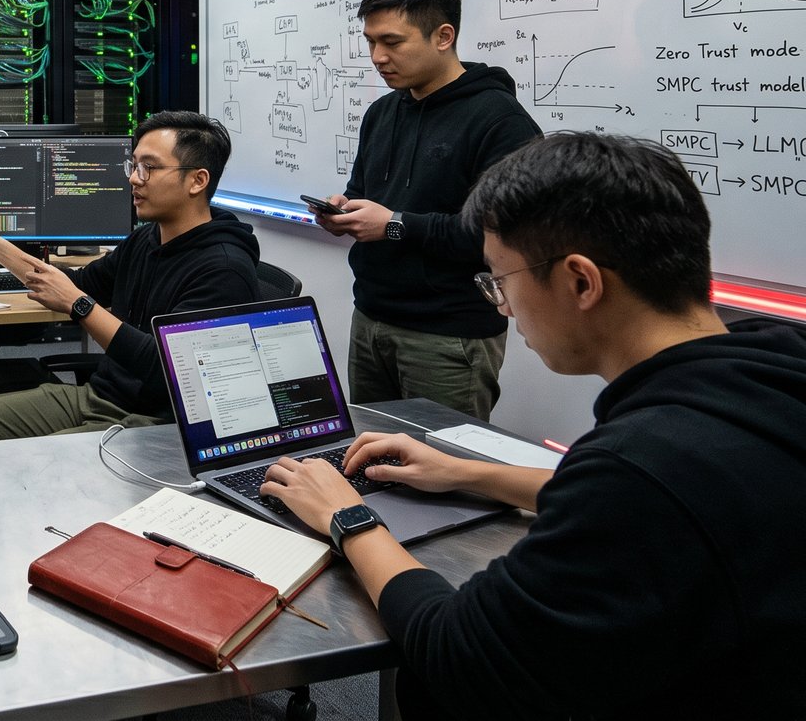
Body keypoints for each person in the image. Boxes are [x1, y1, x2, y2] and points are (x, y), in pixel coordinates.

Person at [262, 133, 806, 719]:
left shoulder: (640, 468)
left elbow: (460, 655)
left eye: (501, 281)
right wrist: (464, 472)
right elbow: (676, 494)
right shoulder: (769, 365)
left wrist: (349, 517)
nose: (504, 307)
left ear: (580, 281)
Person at [0, 111, 261, 442]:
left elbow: (166, 367)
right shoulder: (148, 238)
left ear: (198, 180)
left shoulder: (224, 268)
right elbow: (77, 286)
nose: (135, 179)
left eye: (149, 168)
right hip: (103, 397)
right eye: (133, 166)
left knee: (35, 459)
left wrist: (80, 306)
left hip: (159, 420)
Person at [313, 0, 540, 420]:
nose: (378, 56)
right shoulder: (382, 112)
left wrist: (395, 225)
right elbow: (365, 192)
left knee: (443, 471)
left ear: (443, 36)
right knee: (369, 461)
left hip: (448, 335)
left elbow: (505, 237)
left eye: (392, 42)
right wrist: (343, 210)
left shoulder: (500, 120)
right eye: (371, 41)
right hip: (372, 319)